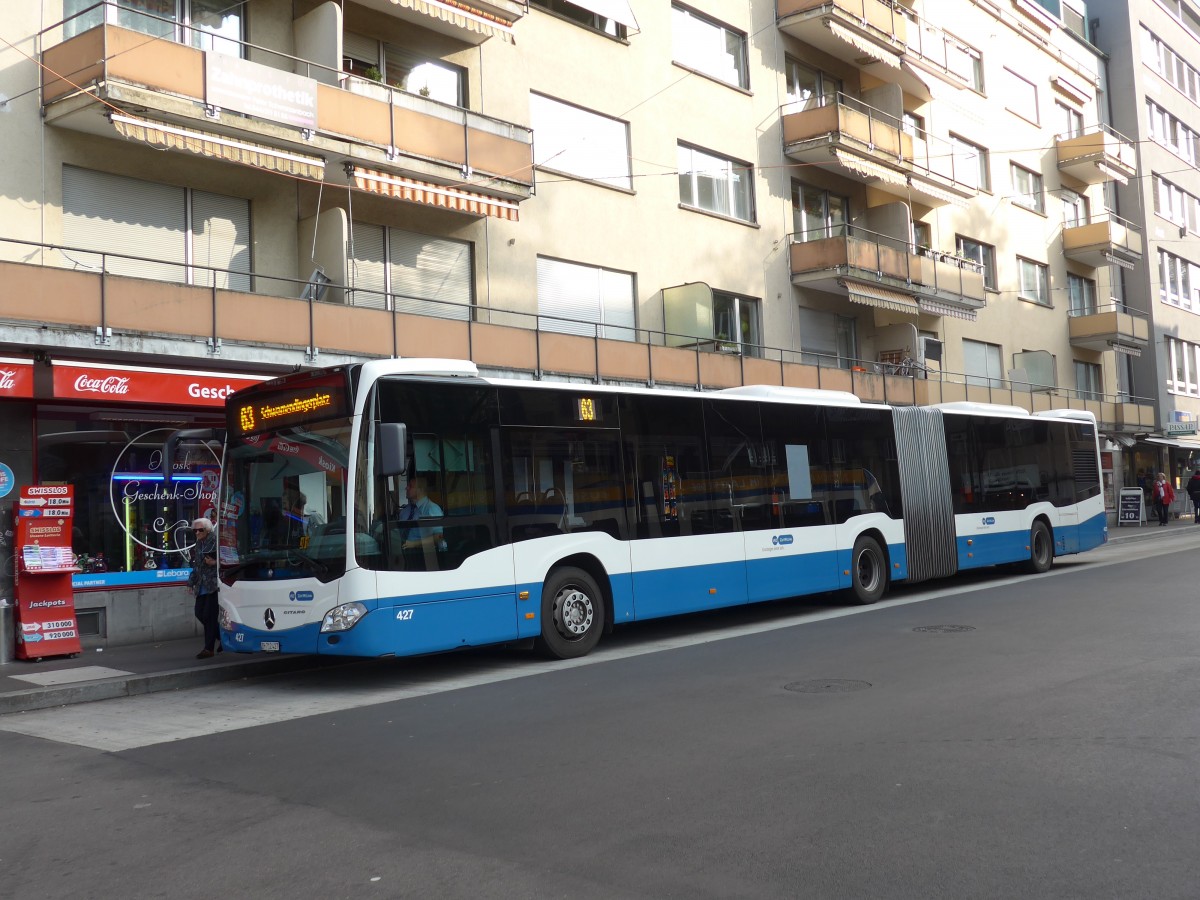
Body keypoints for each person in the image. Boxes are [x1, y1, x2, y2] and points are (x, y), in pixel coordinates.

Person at [187, 517, 220, 659]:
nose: (197, 532)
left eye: (199, 530)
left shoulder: (216, 541)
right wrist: (190, 582)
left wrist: (215, 562)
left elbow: (228, 559)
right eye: (195, 530)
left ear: (207, 530)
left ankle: (208, 649)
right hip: (201, 585)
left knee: (209, 615)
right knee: (199, 613)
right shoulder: (198, 544)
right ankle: (222, 637)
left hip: (213, 585)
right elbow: (197, 565)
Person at [398, 475, 444, 551]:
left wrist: (414, 544)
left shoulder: (432, 509)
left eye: (410, 486)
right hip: (402, 553)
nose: (406, 488)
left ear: (420, 490)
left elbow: (438, 537)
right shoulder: (405, 510)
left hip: (422, 554)